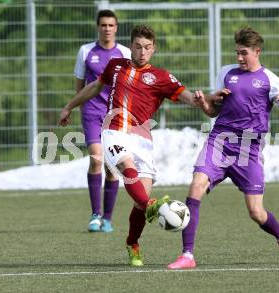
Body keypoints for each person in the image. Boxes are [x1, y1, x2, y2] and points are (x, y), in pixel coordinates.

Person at [59, 25, 202, 266]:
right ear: (131, 47)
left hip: (143, 139)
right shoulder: (116, 66)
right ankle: (156, 207)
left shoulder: (161, 76)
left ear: (153, 49)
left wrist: (204, 101)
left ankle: (132, 243)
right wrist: (69, 106)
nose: (142, 51)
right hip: (113, 131)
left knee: (139, 201)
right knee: (128, 170)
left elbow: (187, 97)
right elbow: (94, 87)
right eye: (138, 46)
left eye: (147, 47)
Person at [168, 26, 279, 269]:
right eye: (237, 53)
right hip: (219, 141)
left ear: (257, 52)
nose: (239, 58)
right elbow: (213, 111)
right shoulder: (226, 73)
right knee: (196, 186)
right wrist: (204, 103)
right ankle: (187, 255)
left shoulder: (271, 80)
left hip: (248, 150)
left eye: (244, 53)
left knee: (256, 212)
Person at [73, 9, 131, 233]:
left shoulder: (125, 53)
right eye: (103, 25)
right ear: (98, 27)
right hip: (91, 114)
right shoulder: (86, 51)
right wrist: (74, 106)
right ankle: (95, 215)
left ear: (116, 28)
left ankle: (107, 218)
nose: (107, 29)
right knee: (96, 159)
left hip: (115, 117)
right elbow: (80, 84)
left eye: (111, 25)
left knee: (111, 167)